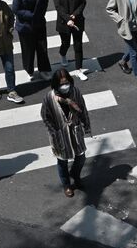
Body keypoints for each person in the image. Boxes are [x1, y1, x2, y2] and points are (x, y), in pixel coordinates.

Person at [40, 69, 92, 198]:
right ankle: (67, 185)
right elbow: (45, 116)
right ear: (56, 84)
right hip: (60, 135)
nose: (65, 86)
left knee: (81, 157)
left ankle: (75, 174)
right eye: (62, 84)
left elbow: (83, 109)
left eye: (67, 82)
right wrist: (54, 131)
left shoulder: (75, 92)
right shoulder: (49, 97)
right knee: (62, 161)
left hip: (75, 131)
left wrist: (87, 126)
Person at [13, 0, 53, 81]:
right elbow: (16, 9)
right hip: (25, 27)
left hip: (39, 24)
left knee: (42, 49)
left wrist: (40, 15)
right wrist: (31, 15)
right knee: (28, 50)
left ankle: (44, 70)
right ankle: (29, 70)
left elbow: (45, 2)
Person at [53, 0, 88, 80]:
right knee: (66, 43)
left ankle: (79, 69)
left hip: (77, 21)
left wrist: (75, 15)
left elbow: (83, 3)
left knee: (78, 45)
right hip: (64, 22)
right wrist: (68, 18)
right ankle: (63, 54)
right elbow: (58, 7)